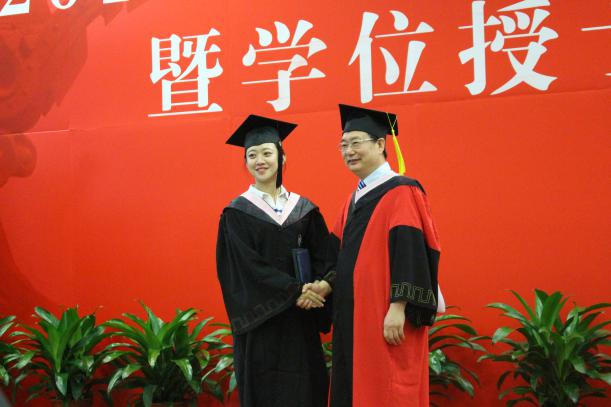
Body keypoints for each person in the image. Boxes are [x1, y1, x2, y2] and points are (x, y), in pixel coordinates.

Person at [312, 104, 445, 407]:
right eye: (343, 145)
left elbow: (411, 250)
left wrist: (398, 306)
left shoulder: (402, 191)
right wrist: (325, 285)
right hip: (354, 315)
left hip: (384, 314)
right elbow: (337, 255)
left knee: (388, 389)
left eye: (356, 142)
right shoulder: (353, 198)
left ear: (381, 144)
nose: (349, 151)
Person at [216, 115, 331, 407]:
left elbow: (325, 257)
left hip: (301, 321)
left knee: (305, 391)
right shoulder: (236, 213)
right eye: (252, 155)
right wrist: (297, 291)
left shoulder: (304, 210)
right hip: (262, 324)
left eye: (267, 153)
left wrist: (320, 287)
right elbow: (244, 269)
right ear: (245, 162)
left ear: (282, 157)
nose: (260, 161)